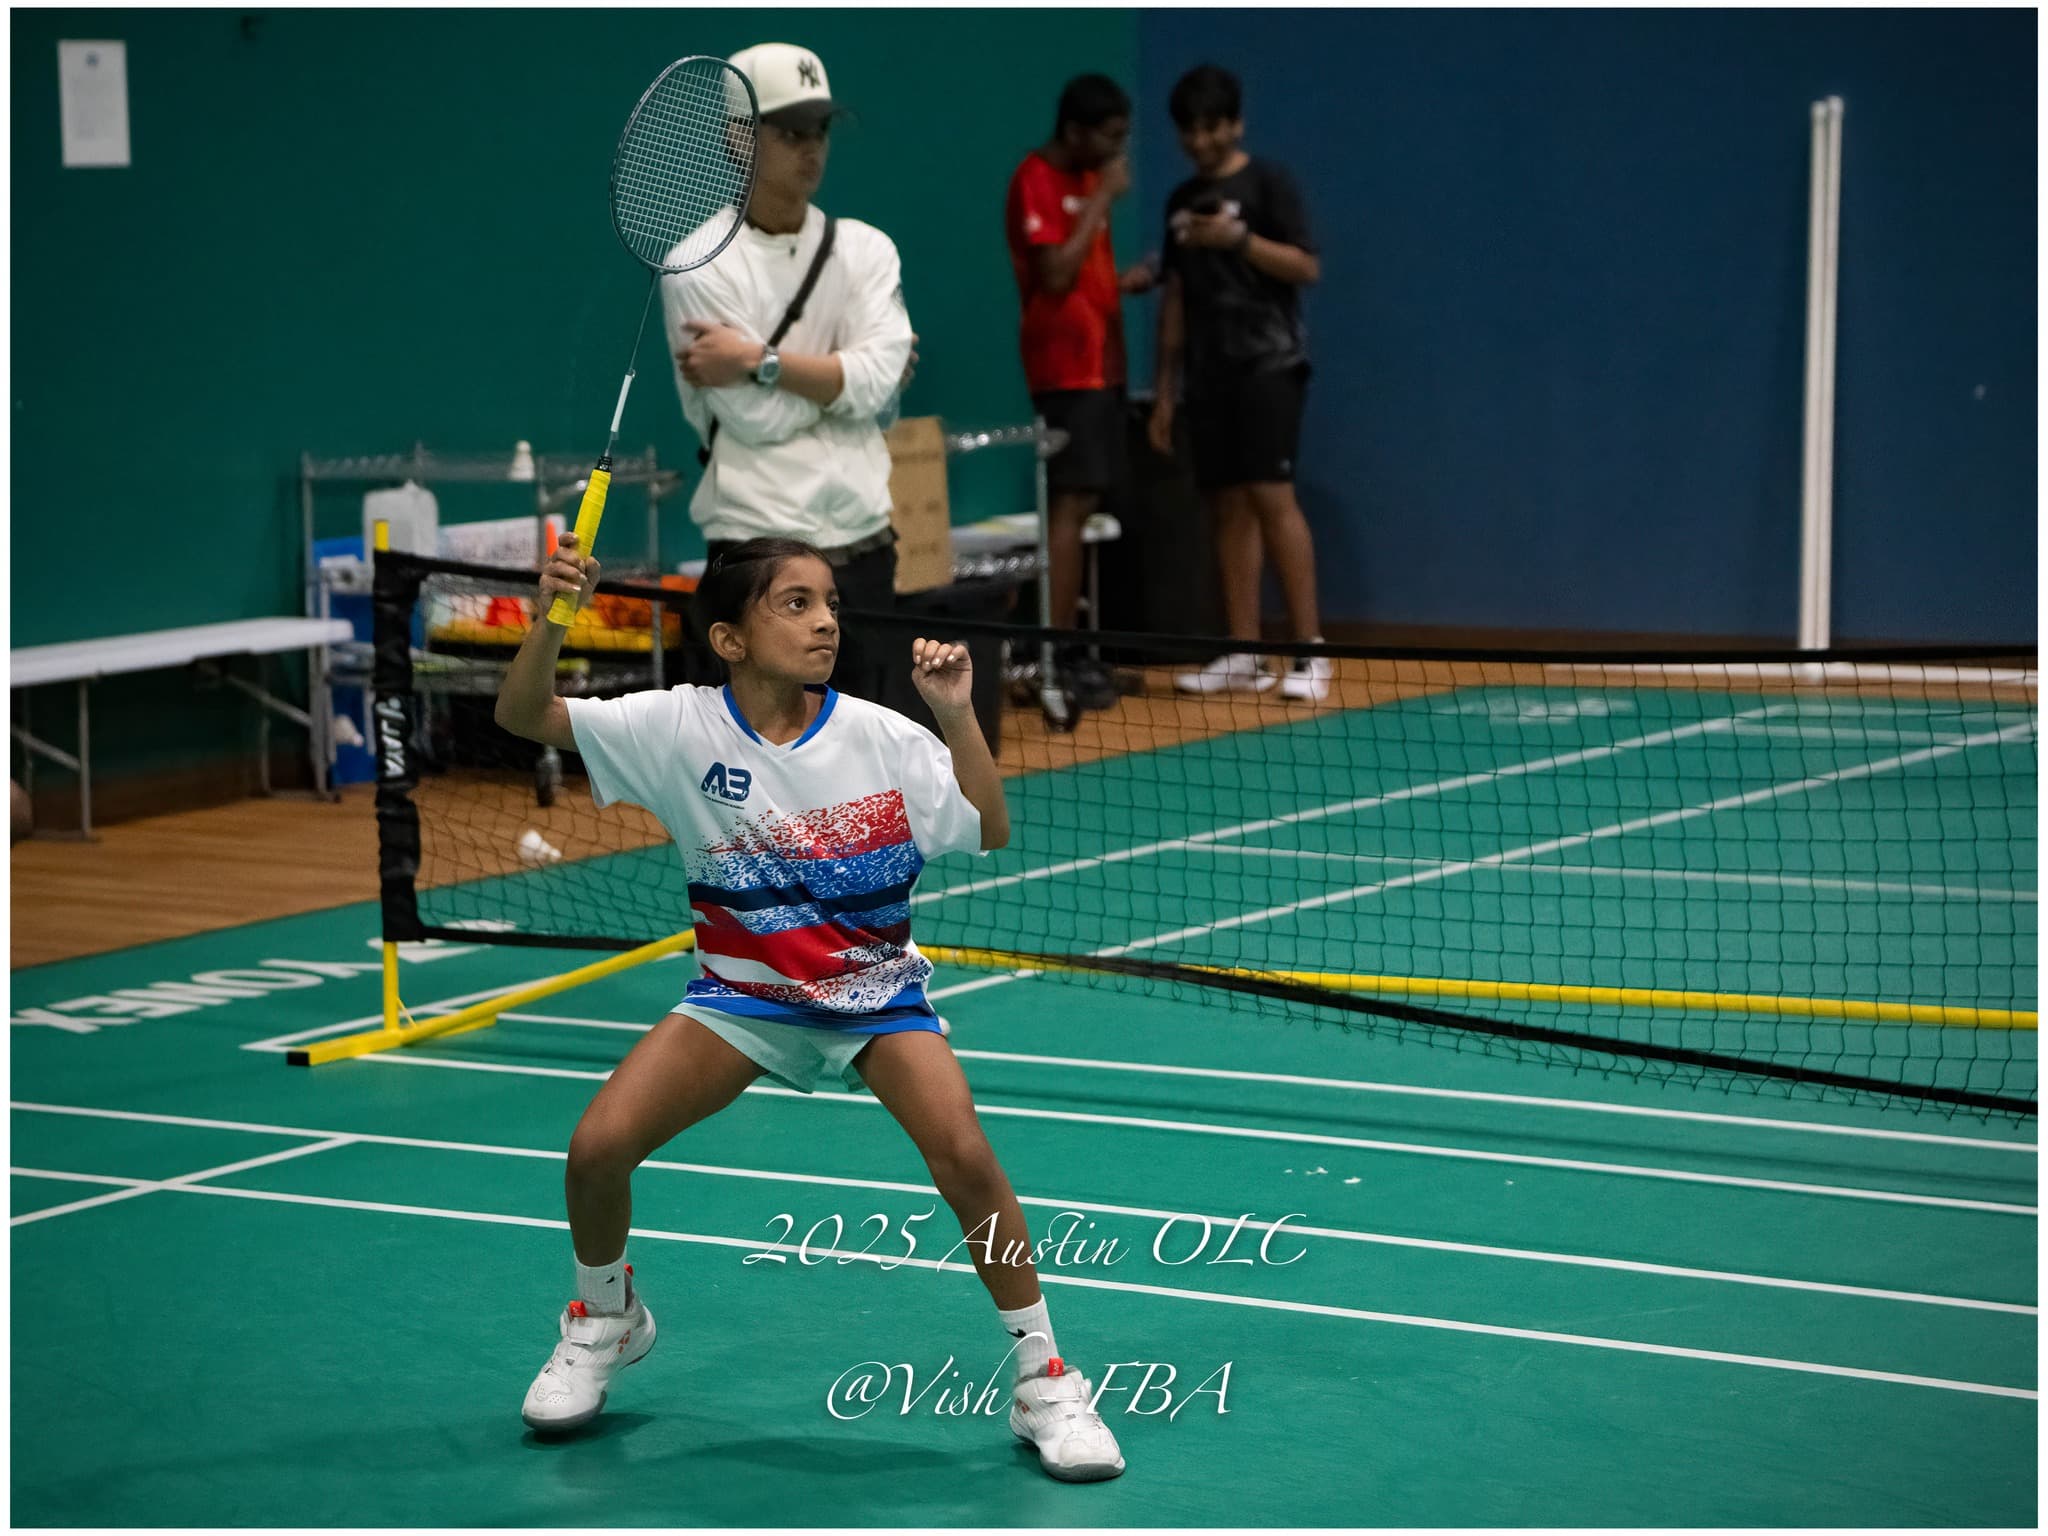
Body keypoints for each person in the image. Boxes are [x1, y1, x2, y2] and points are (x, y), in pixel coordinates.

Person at [496, 533, 1127, 1483]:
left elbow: (989, 826)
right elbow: (522, 713)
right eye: (795, 604)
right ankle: (605, 1316)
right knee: (596, 1149)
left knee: (964, 1156)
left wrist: (957, 714)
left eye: (828, 602)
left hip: (873, 993)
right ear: (730, 639)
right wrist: (555, 616)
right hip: (742, 997)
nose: (825, 620)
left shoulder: (880, 736)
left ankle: (1044, 1378)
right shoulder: (679, 727)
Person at [666, 42, 916, 705]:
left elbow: (876, 383)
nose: (812, 148)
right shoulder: (696, 265)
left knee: (867, 761)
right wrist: (847, 380)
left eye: (821, 130)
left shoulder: (867, 249)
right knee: (757, 760)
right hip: (758, 561)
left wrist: (759, 361)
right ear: (740, 138)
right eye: (791, 132)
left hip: (865, 557)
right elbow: (758, 417)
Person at [1147, 65, 1330, 702]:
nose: (1200, 141)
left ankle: (1309, 653)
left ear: (1236, 124)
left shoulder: (1268, 184)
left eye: (1211, 128)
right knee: (1226, 507)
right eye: (1189, 131)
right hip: (1208, 376)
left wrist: (1240, 239)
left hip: (1269, 366)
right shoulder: (1178, 202)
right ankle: (1245, 652)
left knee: (1273, 498)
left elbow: (1306, 267)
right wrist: (1164, 391)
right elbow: (1174, 298)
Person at [1004, 74, 1154, 711]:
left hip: (1103, 366)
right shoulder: (1035, 179)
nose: (1119, 151)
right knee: (1068, 507)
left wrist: (1122, 284)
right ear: (1075, 131)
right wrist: (1101, 202)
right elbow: (1056, 275)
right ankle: (1051, 656)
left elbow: (1085, 275)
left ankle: (1071, 650)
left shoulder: (1089, 180)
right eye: (1111, 137)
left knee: (1087, 504)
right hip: (1064, 371)